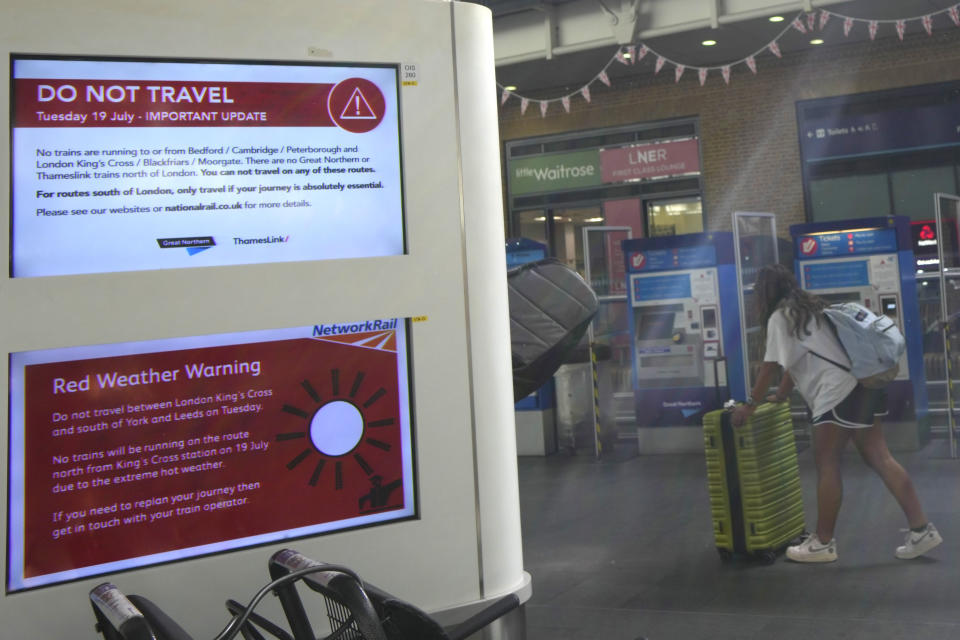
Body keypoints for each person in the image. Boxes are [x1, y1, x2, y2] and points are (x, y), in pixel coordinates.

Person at [731, 263, 941, 563]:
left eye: (756, 294)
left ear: (765, 293)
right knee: (880, 457)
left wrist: (750, 405)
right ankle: (922, 530)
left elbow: (769, 367)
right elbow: (797, 359)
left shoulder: (780, 317)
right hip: (863, 385)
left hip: (837, 394)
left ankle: (823, 543)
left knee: (827, 463)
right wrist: (782, 394)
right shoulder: (809, 309)